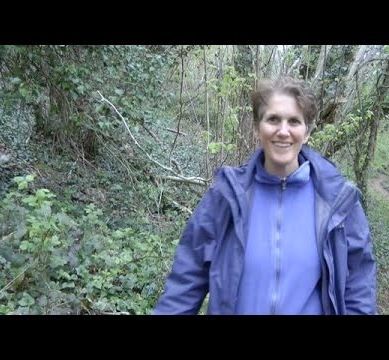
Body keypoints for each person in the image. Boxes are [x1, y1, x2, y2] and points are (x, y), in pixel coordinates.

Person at [153, 76, 377, 315]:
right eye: (273, 119)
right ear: (256, 127)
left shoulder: (338, 201)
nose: (283, 131)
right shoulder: (226, 197)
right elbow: (185, 283)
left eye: (294, 121)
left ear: (307, 131)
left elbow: (359, 288)